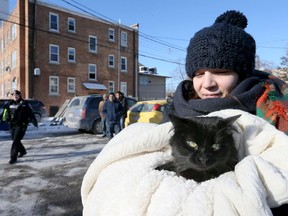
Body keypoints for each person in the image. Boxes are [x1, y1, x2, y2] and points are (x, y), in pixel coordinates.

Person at [81, 11, 288, 215]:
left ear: (241, 74)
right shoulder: (176, 112)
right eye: (199, 73)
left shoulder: (274, 111)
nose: (207, 84)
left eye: (221, 71)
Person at [1, 90, 38, 164]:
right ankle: (22, 151)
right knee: (14, 139)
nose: (15, 96)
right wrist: (3, 119)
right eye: (14, 95)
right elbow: (4, 113)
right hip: (12, 125)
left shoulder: (25, 104)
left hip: (21, 125)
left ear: (19, 95)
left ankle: (13, 158)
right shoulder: (9, 104)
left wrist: (34, 121)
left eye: (16, 95)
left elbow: (31, 113)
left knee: (15, 140)